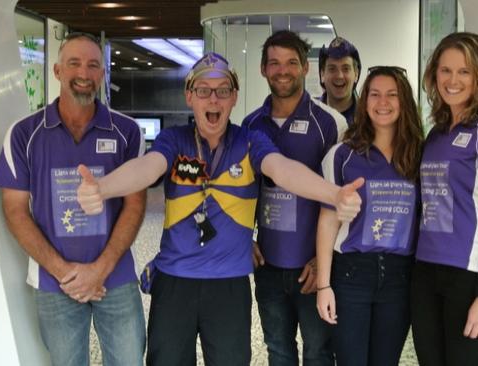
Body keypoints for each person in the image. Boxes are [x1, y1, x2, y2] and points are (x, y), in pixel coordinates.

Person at [76, 52, 363, 366]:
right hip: (174, 282)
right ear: (190, 96)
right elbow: (147, 167)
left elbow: (282, 170)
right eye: (203, 90)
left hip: (229, 285)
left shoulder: (250, 141)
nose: (213, 99)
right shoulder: (175, 140)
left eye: (223, 90)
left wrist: (333, 193)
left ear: (234, 97)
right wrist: (102, 189)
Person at [0, 32, 146, 366]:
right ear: (58, 71)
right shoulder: (23, 134)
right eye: (74, 63)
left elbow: (135, 205)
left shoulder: (128, 132)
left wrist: (100, 270)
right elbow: (15, 211)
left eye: (93, 65)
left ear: (102, 76)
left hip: (115, 279)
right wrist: (65, 273)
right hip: (54, 281)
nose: (84, 73)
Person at [410, 32, 478, 366]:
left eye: (464, 71)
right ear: (434, 75)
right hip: (428, 274)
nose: (453, 80)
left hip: (473, 276)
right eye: (445, 70)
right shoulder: (437, 132)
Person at [242, 30, 347, 366]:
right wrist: (246, 236)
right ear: (263, 69)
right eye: (274, 63)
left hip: (313, 267)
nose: (282, 70)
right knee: (279, 352)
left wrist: (325, 260)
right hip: (269, 267)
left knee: (318, 352)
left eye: (291, 62)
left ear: (305, 68)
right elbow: (243, 190)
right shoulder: (249, 125)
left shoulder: (331, 123)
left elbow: (342, 199)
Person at [315, 66, 424, 365]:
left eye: (392, 94)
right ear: (365, 102)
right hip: (352, 275)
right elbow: (327, 221)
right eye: (374, 94)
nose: (383, 102)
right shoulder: (342, 155)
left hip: (400, 277)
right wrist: (324, 286)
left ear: (404, 102)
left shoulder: (419, 155)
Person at [318, 36, 362, 125]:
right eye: (332, 69)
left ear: (356, 74)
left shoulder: (368, 116)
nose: (339, 76)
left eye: (346, 69)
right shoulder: (308, 114)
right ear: (322, 74)